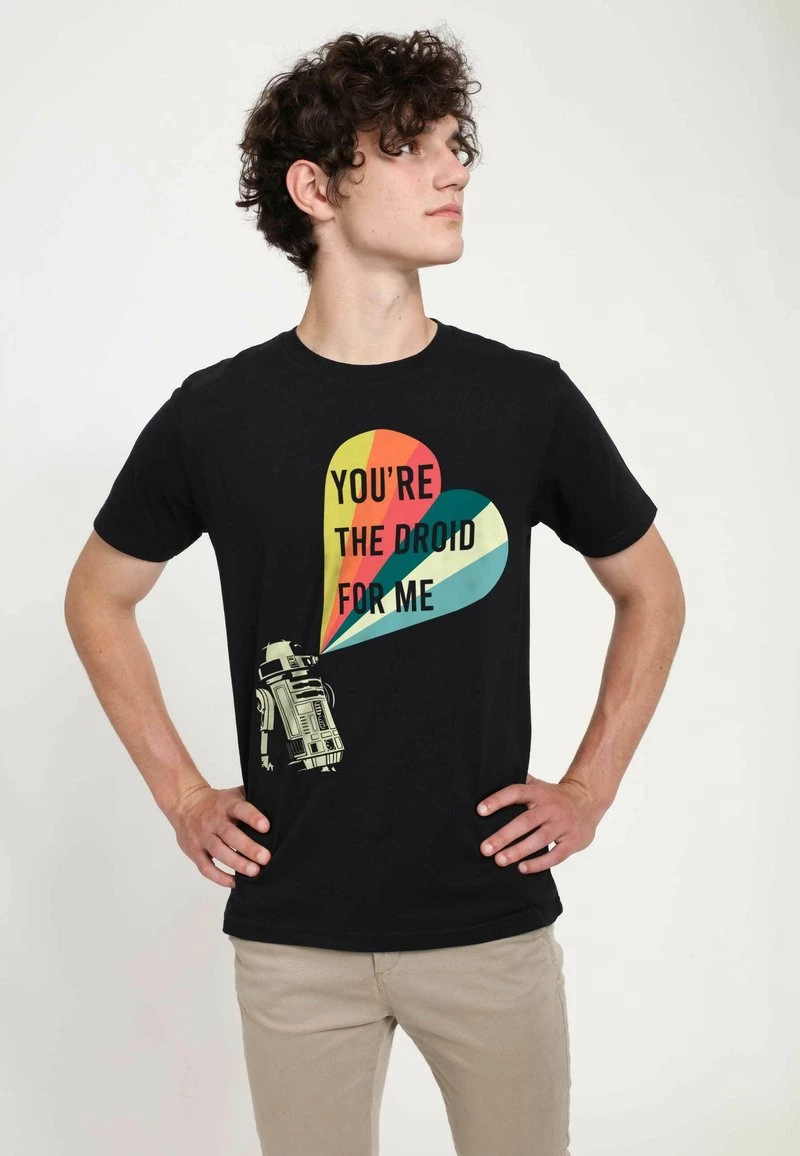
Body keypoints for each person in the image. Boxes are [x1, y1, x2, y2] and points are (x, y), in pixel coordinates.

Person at [64, 27, 685, 1156]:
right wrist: (182, 793)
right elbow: (97, 596)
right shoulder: (218, 415)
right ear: (315, 189)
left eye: (454, 144)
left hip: (486, 918)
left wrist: (589, 788)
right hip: (294, 931)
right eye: (406, 147)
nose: (453, 170)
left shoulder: (524, 399)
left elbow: (651, 588)